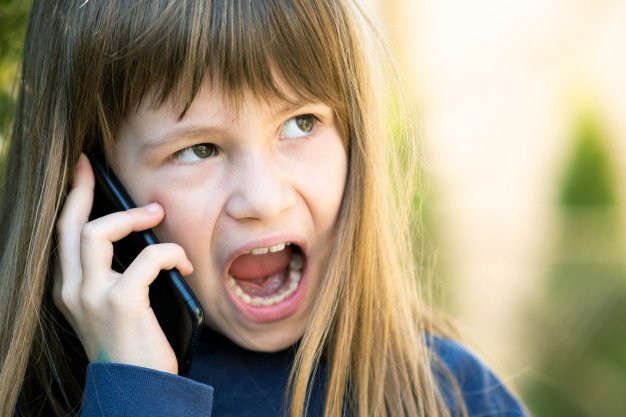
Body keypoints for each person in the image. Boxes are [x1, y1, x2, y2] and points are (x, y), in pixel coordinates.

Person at [0, 0, 528, 416]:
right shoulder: (38, 399)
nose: (265, 199)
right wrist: (136, 395)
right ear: (93, 187)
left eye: (300, 123)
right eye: (197, 150)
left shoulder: (454, 396)